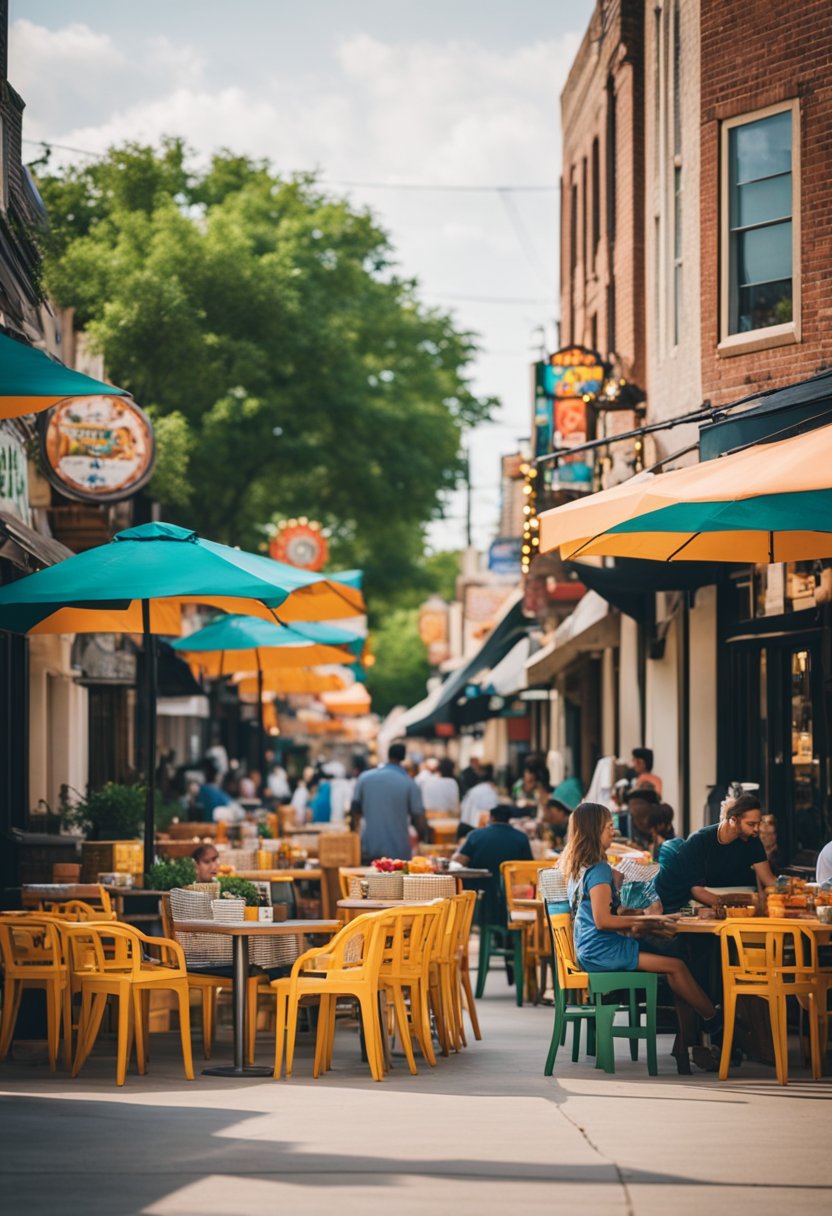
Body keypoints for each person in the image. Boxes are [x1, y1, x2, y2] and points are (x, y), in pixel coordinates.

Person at [559, 802, 722, 1073]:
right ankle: (713, 1021)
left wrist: (638, 914)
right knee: (677, 964)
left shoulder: (579, 867)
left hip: (590, 948)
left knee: (675, 959)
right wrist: (646, 921)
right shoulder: (598, 870)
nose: (614, 830)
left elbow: (604, 911)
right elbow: (603, 920)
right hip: (603, 951)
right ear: (593, 830)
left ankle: (693, 1037)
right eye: (608, 826)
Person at [653, 794, 777, 914]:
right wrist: (732, 906)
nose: (756, 829)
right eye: (751, 824)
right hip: (695, 905)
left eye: (758, 823)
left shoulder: (752, 839)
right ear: (733, 820)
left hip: (739, 903)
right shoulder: (700, 840)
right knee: (694, 914)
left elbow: (768, 879)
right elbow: (696, 890)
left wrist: (790, 888)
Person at [452, 804, 533, 924]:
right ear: (508, 819)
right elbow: (528, 867)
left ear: (492, 818)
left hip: (481, 893)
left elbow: (460, 861)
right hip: (511, 897)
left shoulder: (475, 835)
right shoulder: (521, 838)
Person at [351, 741, 427, 863]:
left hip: (369, 847)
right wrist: (423, 839)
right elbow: (418, 817)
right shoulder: (409, 784)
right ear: (403, 757)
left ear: (388, 755)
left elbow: (354, 811)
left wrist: (354, 837)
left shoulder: (364, 778)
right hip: (398, 851)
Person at [459, 765, 499, 834]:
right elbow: (492, 811)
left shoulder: (474, 789)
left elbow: (462, 806)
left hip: (466, 824)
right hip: (478, 827)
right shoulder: (491, 791)